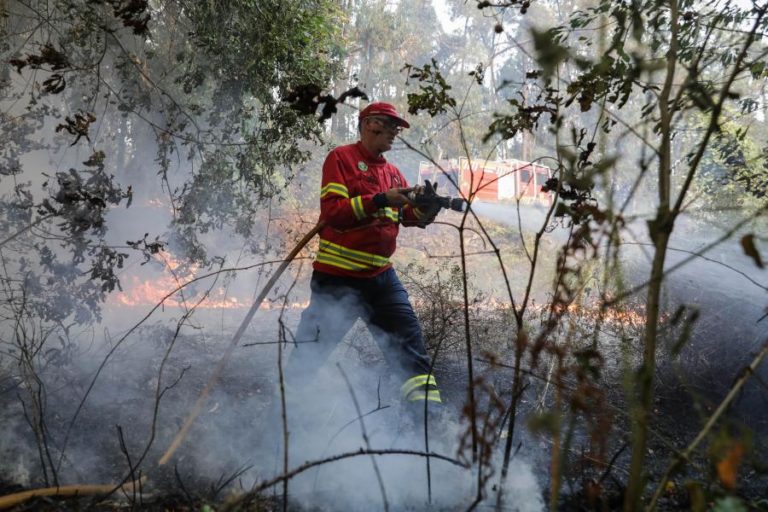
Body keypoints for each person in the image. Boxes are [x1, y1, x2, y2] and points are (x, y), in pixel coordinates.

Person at [285, 102, 442, 415]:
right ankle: (282, 417)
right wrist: (381, 198)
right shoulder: (340, 159)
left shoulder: (393, 172)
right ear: (371, 124)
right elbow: (334, 214)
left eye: (398, 128)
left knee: (412, 353)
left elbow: (410, 217)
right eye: (392, 126)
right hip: (338, 281)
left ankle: (429, 425)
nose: (396, 133)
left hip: (381, 280)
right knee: (309, 355)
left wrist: (427, 208)